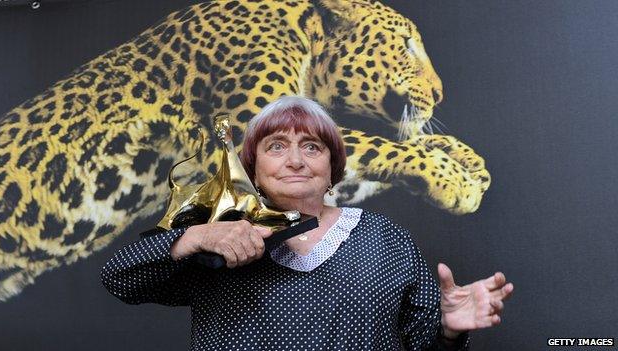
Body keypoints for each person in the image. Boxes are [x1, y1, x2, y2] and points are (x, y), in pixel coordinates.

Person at [101, 96, 513, 350]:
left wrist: (450, 331)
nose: (295, 160)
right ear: (254, 171)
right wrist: (194, 237)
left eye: (311, 147)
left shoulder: (388, 242)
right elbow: (120, 278)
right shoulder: (215, 238)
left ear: (332, 168)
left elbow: (429, 347)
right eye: (276, 146)